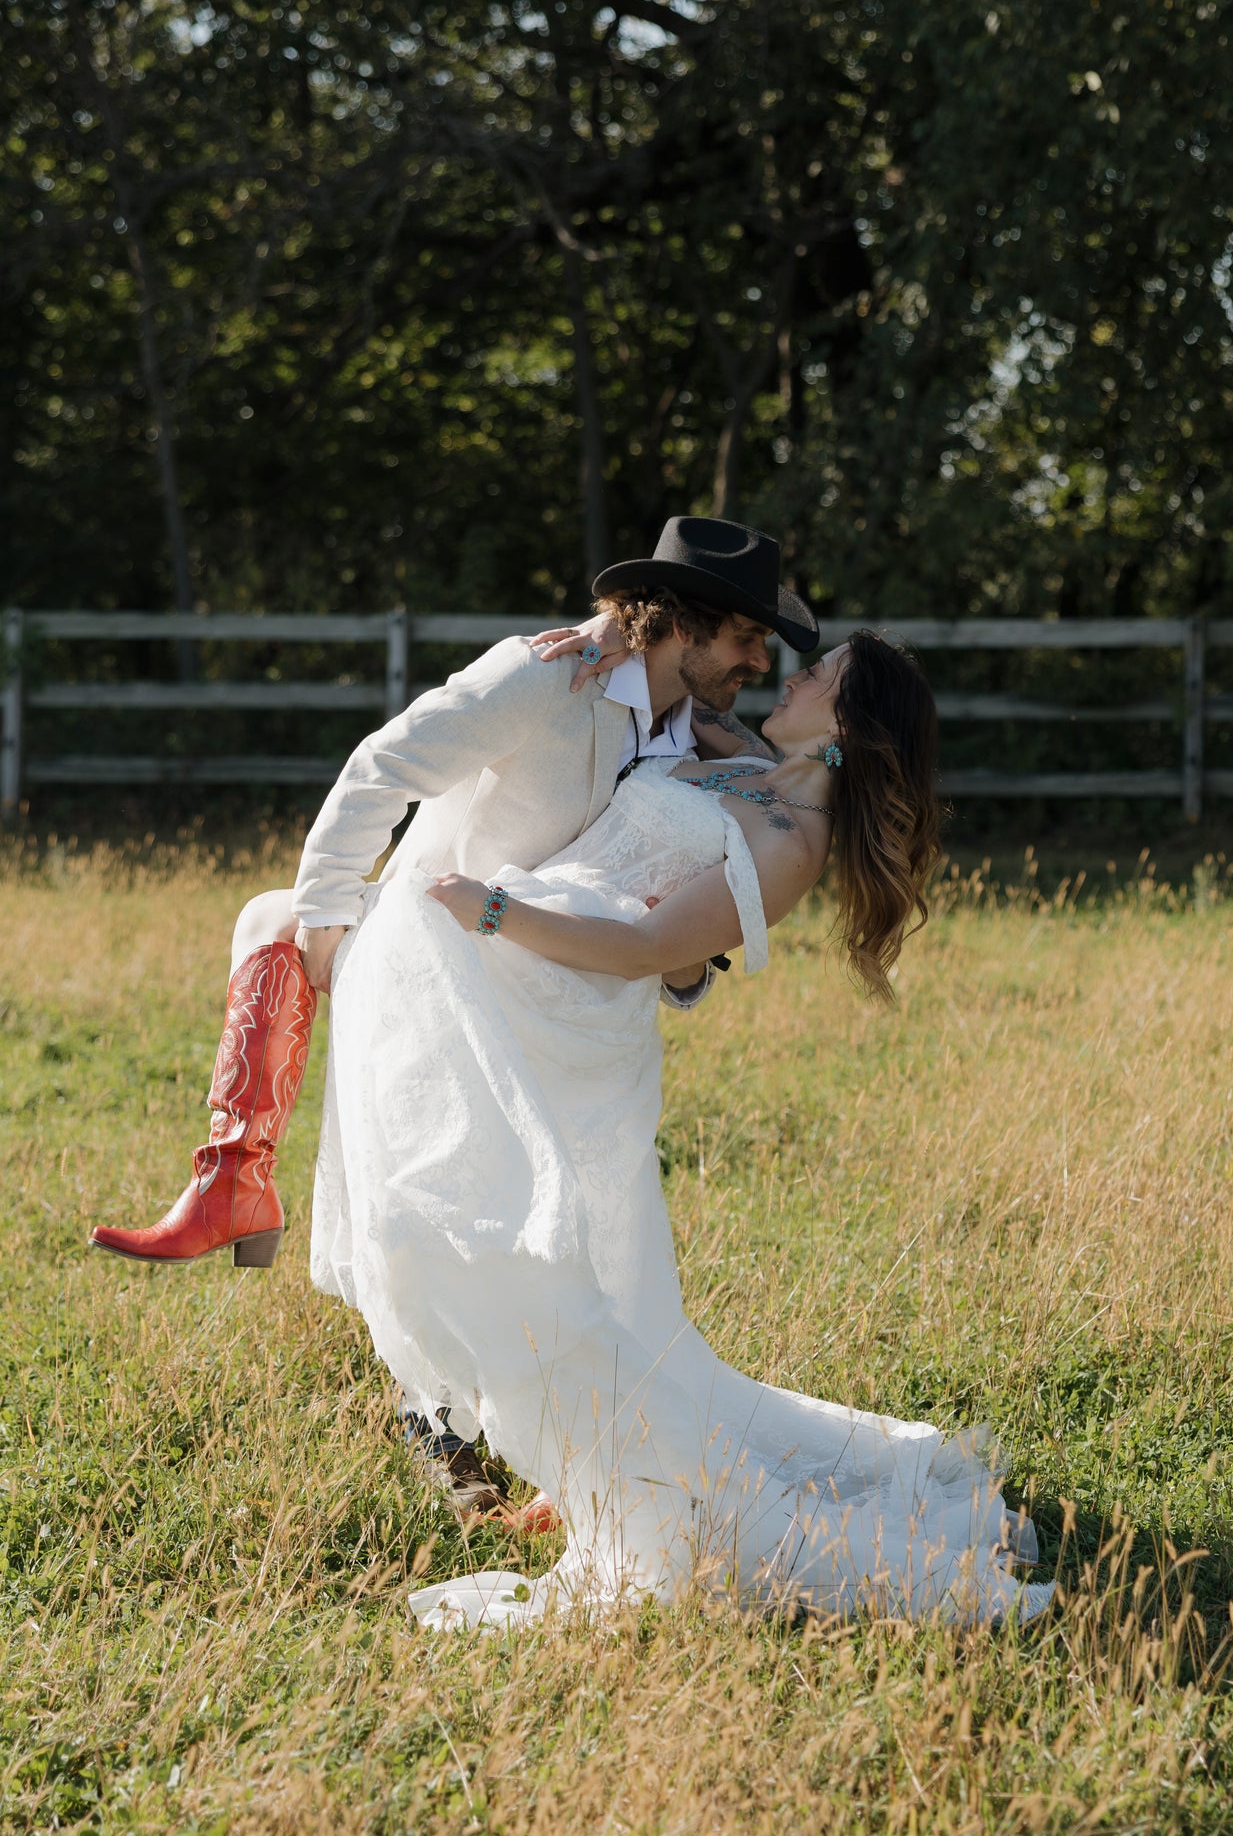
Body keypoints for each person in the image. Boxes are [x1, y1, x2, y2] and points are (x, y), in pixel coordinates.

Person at [313, 600, 1052, 1630]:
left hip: (553, 982)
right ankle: (569, 1463)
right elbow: (659, 685)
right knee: (484, 1236)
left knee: (509, 1252)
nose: (784, 679)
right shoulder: (741, 763)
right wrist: (605, 630)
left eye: (814, 679)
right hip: (521, 981)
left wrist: (490, 909)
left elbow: (649, 945)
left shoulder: (792, 839)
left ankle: (637, 1485)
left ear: (844, 727)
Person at [87, 516, 817, 1511]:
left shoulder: (686, 725)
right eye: (744, 638)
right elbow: (381, 767)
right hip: (434, 958)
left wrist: (679, 965)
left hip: (553, 987)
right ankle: (428, 1410)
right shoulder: (540, 675)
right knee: (436, 1189)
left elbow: (649, 878)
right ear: (682, 623)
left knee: (556, 1215)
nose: (757, 663)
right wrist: (331, 923)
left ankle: (546, 1421)